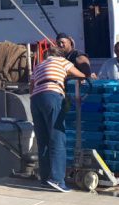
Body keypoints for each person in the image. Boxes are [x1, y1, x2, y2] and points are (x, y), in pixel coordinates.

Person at [30, 46, 87, 192]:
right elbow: (80, 75)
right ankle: (57, 180)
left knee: (43, 140)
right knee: (57, 137)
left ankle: (45, 178)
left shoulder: (38, 66)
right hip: (52, 94)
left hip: (35, 98)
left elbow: (31, 86)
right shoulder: (62, 61)